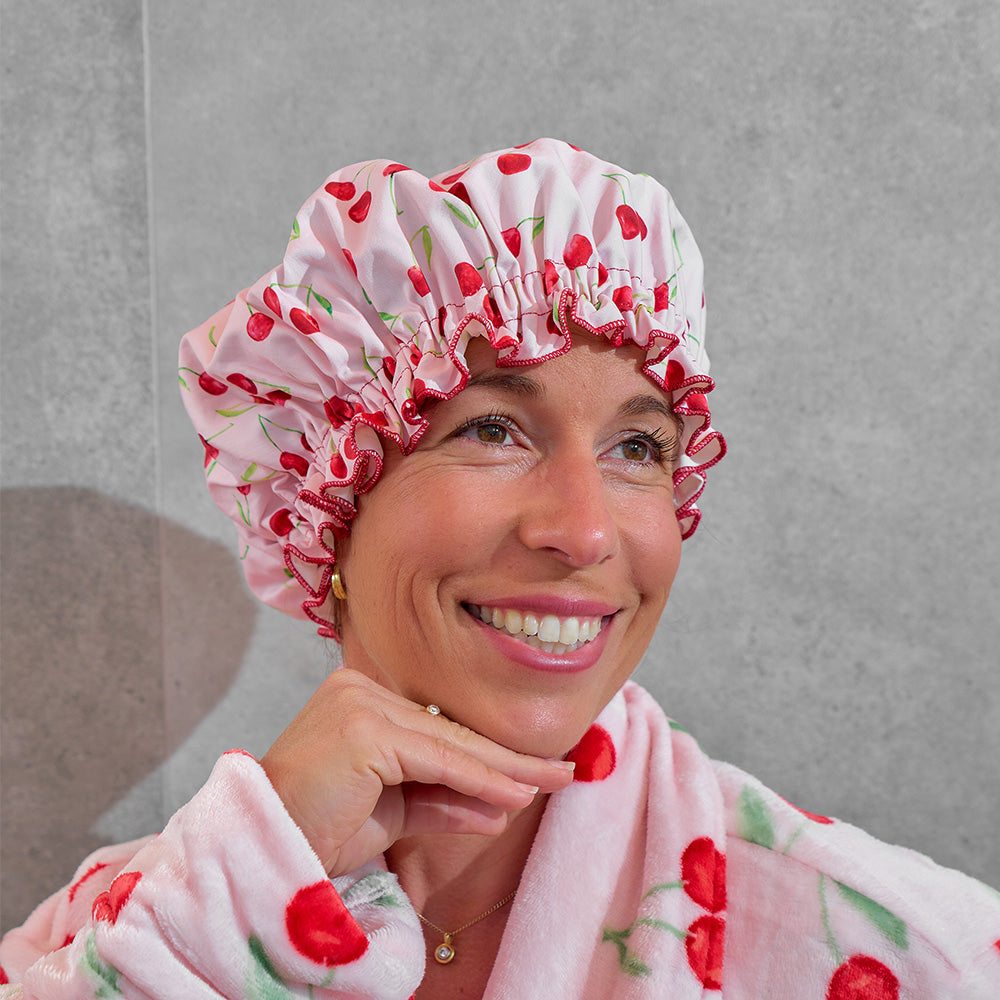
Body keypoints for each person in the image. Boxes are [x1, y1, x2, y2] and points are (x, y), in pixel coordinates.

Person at [1, 139, 998, 999]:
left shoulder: (914, 955)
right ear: (325, 508)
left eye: (638, 448)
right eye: (490, 428)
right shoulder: (126, 938)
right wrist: (248, 891)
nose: (584, 530)